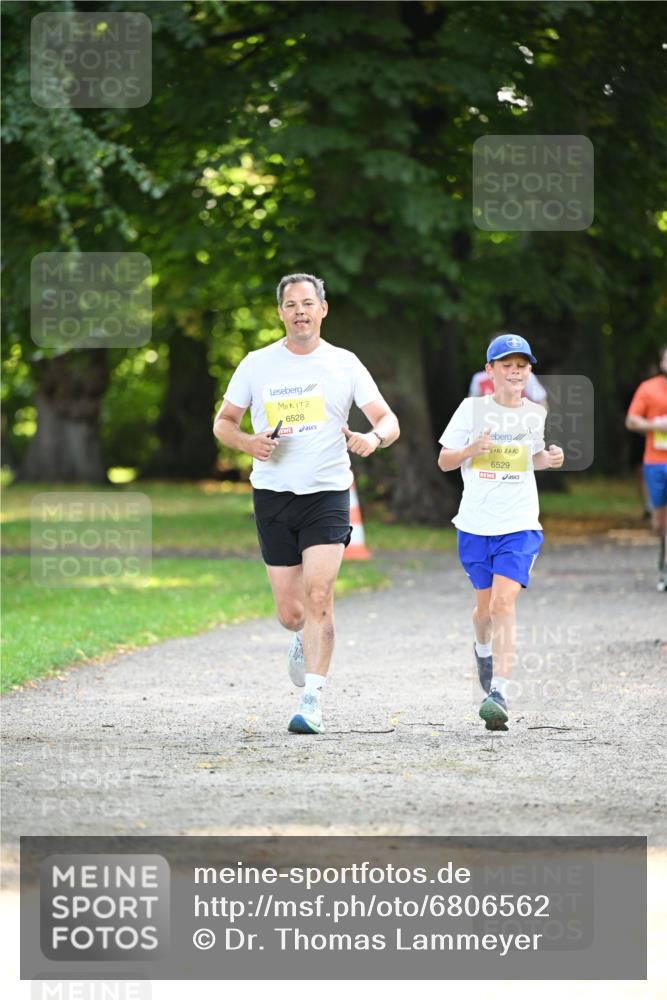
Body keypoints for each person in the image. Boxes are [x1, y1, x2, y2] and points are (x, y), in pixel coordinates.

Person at [213, 273, 400, 733]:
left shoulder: (344, 363)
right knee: (292, 613)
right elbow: (224, 423)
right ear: (280, 313)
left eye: (308, 303)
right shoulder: (257, 364)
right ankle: (300, 638)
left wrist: (372, 439)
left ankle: (311, 700)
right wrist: (247, 443)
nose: (300, 311)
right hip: (274, 496)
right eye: (291, 304)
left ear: (323, 309)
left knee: (320, 595)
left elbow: (387, 419)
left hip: (327, 493)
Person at [437, 333, 564, 731]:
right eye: (506, 364)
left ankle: (500, 693)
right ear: (489, 370)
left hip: (520, 523)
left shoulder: (534, 414)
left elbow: (532, 458)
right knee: (484, 611)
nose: (515, 370)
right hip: (475, 524)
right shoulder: (470, 409)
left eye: (522, 365)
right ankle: (482, 648)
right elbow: (444, 461)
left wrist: (549, 458)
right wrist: (470, 450)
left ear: (529, 372)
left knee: (503, 605)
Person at [625, 346, 667, 591]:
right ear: (662, 363)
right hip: (656, 462)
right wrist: (655, 425)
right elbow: (631, 420)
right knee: (660, 523)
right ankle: (662, 561)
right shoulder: (649, 388)